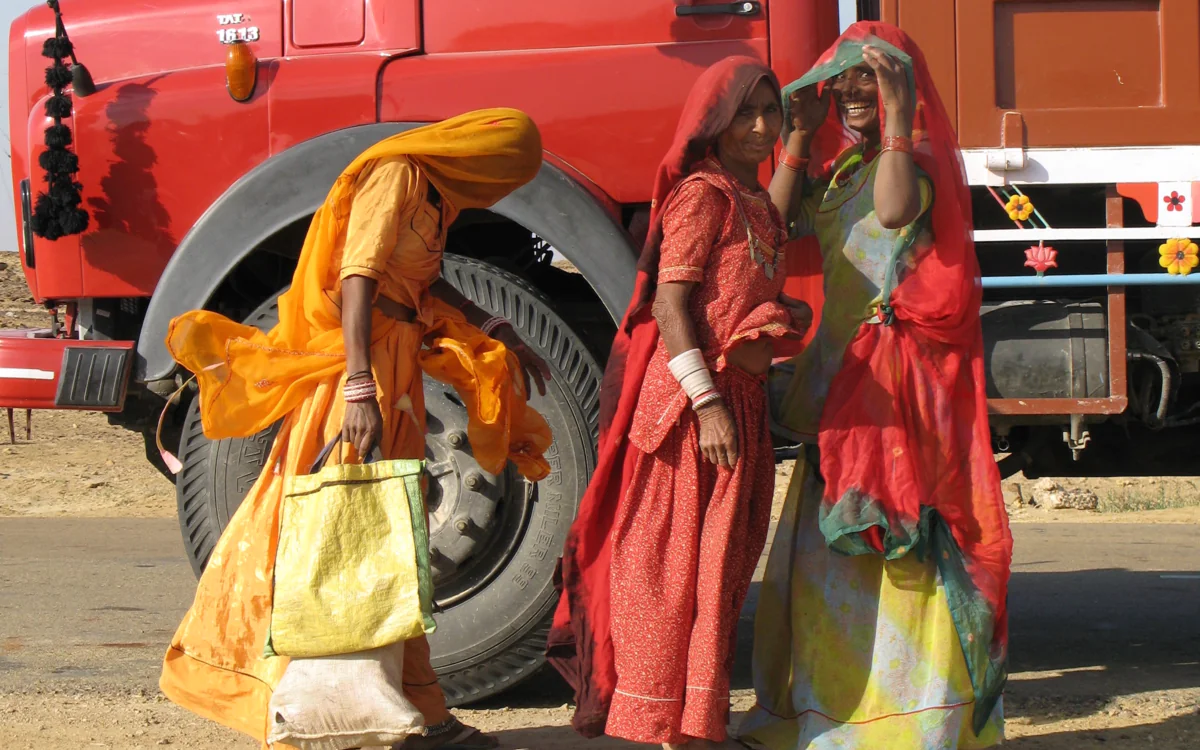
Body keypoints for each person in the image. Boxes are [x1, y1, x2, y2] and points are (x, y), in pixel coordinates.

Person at [158, 108, 554, 750]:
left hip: (395, 368)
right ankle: (280, 699)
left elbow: (426, 283)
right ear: (476, 153)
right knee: (329, 534)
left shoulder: (433, 196)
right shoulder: (396, 174)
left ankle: (418, 714)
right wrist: (361, 386)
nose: (499, 187)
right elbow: (358, 277)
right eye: (502, 171)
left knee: (392, 541)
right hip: (361, 373)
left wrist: (497, 330)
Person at [737, 22, 1012, 749]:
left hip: (893, 398)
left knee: (893, 548)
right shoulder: (844, 169)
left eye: (872, 76)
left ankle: (902, 721)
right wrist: (797, 136)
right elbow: (772, 222)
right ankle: (832, 707)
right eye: (846, 78)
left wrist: (896, 116)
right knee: (828, 555)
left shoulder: (909, 165)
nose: (853, 90)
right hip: (839, 385)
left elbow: (894, 215)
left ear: (902, 88)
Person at [546, 56, 812, 749]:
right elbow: (670, 306)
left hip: (740, 407)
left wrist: (804, 141)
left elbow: (770, 226)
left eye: (770, 112)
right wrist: (708, 403)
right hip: (692, 418)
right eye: (744, 113)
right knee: (667, 576)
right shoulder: (702, 195)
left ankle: (692, 728)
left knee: (718, 573)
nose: (759, 127)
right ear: (714, 123)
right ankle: (656, 725)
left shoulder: (747, 200)